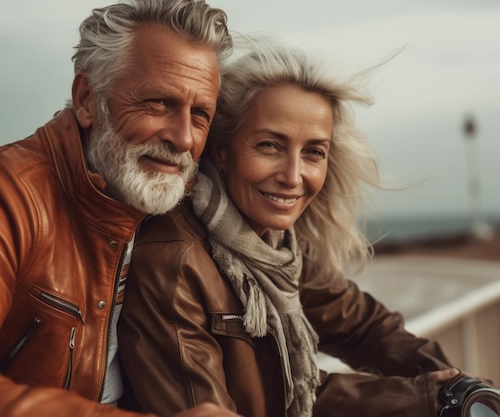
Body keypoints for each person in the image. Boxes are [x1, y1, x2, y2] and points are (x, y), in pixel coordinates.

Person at [0, 1, 241, 416]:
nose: (183, 138)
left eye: (200, 115)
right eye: (158, 103)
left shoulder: (184, 200)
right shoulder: (6, 190)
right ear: (86, 99)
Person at [118, 37, 495, 417]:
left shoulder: (277, 246)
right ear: (222, 150)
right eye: (270, 146)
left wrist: (464, 390)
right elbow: (255, 405)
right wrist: (425, 399)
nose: (293, 176)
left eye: (313, 152)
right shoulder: (173, 262)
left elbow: (363, 327)